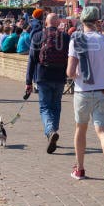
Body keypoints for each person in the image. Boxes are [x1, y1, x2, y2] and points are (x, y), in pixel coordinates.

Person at [66, 6, 104, 188]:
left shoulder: (76, 40)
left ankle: (79, 169)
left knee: (81, 129)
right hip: (102, 91)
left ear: (82, 21)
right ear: (98, 21)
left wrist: (78, 75)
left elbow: (70, 71)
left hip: (82, 92)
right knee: (102, 131)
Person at [26, 13, 70, 154]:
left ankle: (50, 131)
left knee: (45, 108)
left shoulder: (38, 36)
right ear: (58, 23)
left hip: (43, 76)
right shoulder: (65, 37)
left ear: (46, 23)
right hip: (59, 77)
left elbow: (32, 59)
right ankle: (53, 132)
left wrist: (28, 82)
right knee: (56, 106)